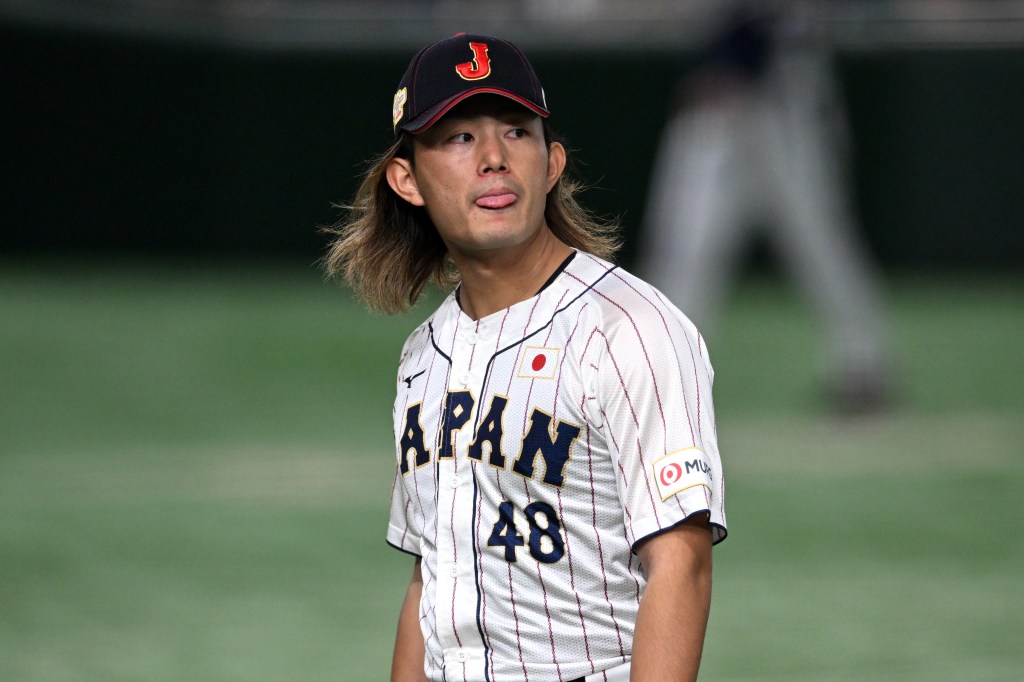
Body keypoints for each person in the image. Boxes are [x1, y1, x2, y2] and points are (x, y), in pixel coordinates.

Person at [324, 32, 727, 682]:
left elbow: (681, 563)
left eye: (516, 131)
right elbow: (431, 582)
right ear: (408, 179)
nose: (493, 158)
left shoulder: (631, 330)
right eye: (458, 137)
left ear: (552, 161)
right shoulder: (424, 356)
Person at [638, 3, 892, 412]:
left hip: (782, 98)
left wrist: (732, 64)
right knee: (686, 246)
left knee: (819, 241)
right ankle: (660, 374)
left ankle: (864, 366)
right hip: (720, 104)